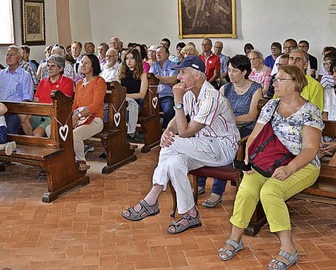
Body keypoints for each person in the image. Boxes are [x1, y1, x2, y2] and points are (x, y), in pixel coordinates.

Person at [217, 65, 323, 269]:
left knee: (270, 191)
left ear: (296, 84)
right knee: (246, 189)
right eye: (275, 79)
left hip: (301, 165)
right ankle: (235, 239)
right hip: (268, 162)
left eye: (281, 79)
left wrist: (289, 169)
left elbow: (310, 149)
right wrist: (248, 160)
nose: (274, 83)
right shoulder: (271, 105)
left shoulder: (310, 111)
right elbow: (254, 136)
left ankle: (288, 249)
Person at [121, 56, 239, 234]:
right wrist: (168, 131)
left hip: (222, 148)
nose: (178, 77)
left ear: (197, 75)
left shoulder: (211, 97)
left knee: (172, 144)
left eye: (183, 73)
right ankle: (191, 213)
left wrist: (177, 101)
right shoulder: (190, 93)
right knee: (174, 163)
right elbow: (177, 123)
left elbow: (184, 132)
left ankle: (152, 197)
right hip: (202, 146)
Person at [198, 55, 261, 208]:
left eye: (234, 71)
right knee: (203, 139)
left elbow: (252, 116)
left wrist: (229, 120)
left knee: (225, 147)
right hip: (224, 128)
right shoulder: (224, 88)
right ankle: (200, 182)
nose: (230, 74)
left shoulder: (255, 88)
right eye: (229, 70)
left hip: (245, 129)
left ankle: (217, 192)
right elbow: (214, 110)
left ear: (244, 72)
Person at [72, 54, 106, 171]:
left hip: (95, 119)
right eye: (82, 63)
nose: (83, 65)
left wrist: (78, 115)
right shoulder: (79, 84)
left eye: (87, 63)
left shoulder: (99, 82)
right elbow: (75, 104)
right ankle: (66, 161)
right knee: (52, 129)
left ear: (93, 66)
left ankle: (81, 162)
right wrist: (71, 116)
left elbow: (96, 105)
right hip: (79, 117)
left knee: (74, 135)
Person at [0, 45, 34, 135]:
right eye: (7, 55)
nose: (9, 57)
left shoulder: (25, 75)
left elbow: (27, 97)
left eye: (12, 55)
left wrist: (19, 109)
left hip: (15, 111)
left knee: (9, 129)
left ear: (19, 58)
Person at [32, 55, 73, 137]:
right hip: (39, 113)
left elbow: (62, 104)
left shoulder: (67, 82)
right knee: (23, 117)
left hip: (54, 115)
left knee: (37, 133)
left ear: (60, 68)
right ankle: (33, 142)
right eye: (48, 66)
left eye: (52, 66)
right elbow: (36, 100)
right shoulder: (43, 82)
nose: (49, 68)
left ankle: (36, 140)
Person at [119, 49, 148, 141]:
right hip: (123, 101)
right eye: (127, 58)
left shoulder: (143, 75)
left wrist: (127, 96)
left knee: (131, 105)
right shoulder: (122, 74)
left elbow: (142, 94)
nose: (129, 61)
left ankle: (131, 132)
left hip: (136, 101)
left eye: (132, 58)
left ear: (137, 60)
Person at [149, 46, 178, 129]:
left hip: (167, 95)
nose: (157, 54)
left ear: (167, 54)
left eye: (160, 52)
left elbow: (173, 80)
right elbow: (151, 80)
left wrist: (157, 78)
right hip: (153, 95)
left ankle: (165, 129)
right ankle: (153, 130)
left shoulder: (173, 65)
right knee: (145, 111)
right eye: (156, 53)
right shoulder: (154, 65)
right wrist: (165, 79)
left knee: (169, 111)